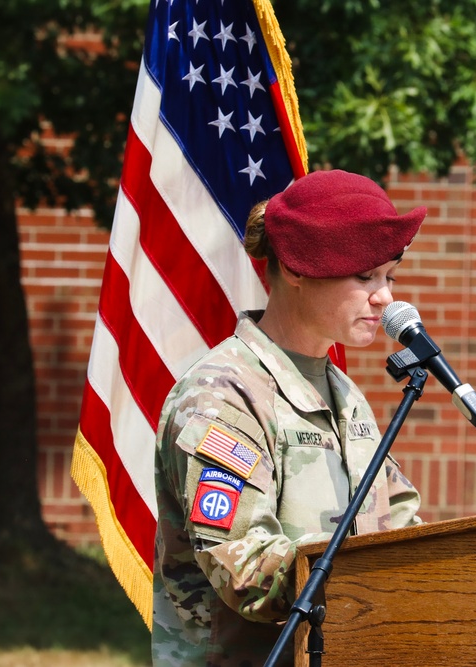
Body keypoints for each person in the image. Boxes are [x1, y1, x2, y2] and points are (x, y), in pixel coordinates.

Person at [151, 169, 427, 666]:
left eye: (389, 275)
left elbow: (401, 525)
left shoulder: (344, 394)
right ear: (297, 268)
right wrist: (376, 579)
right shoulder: (223, 396)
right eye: (364, 276)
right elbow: (246, 569)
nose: (386, 297)